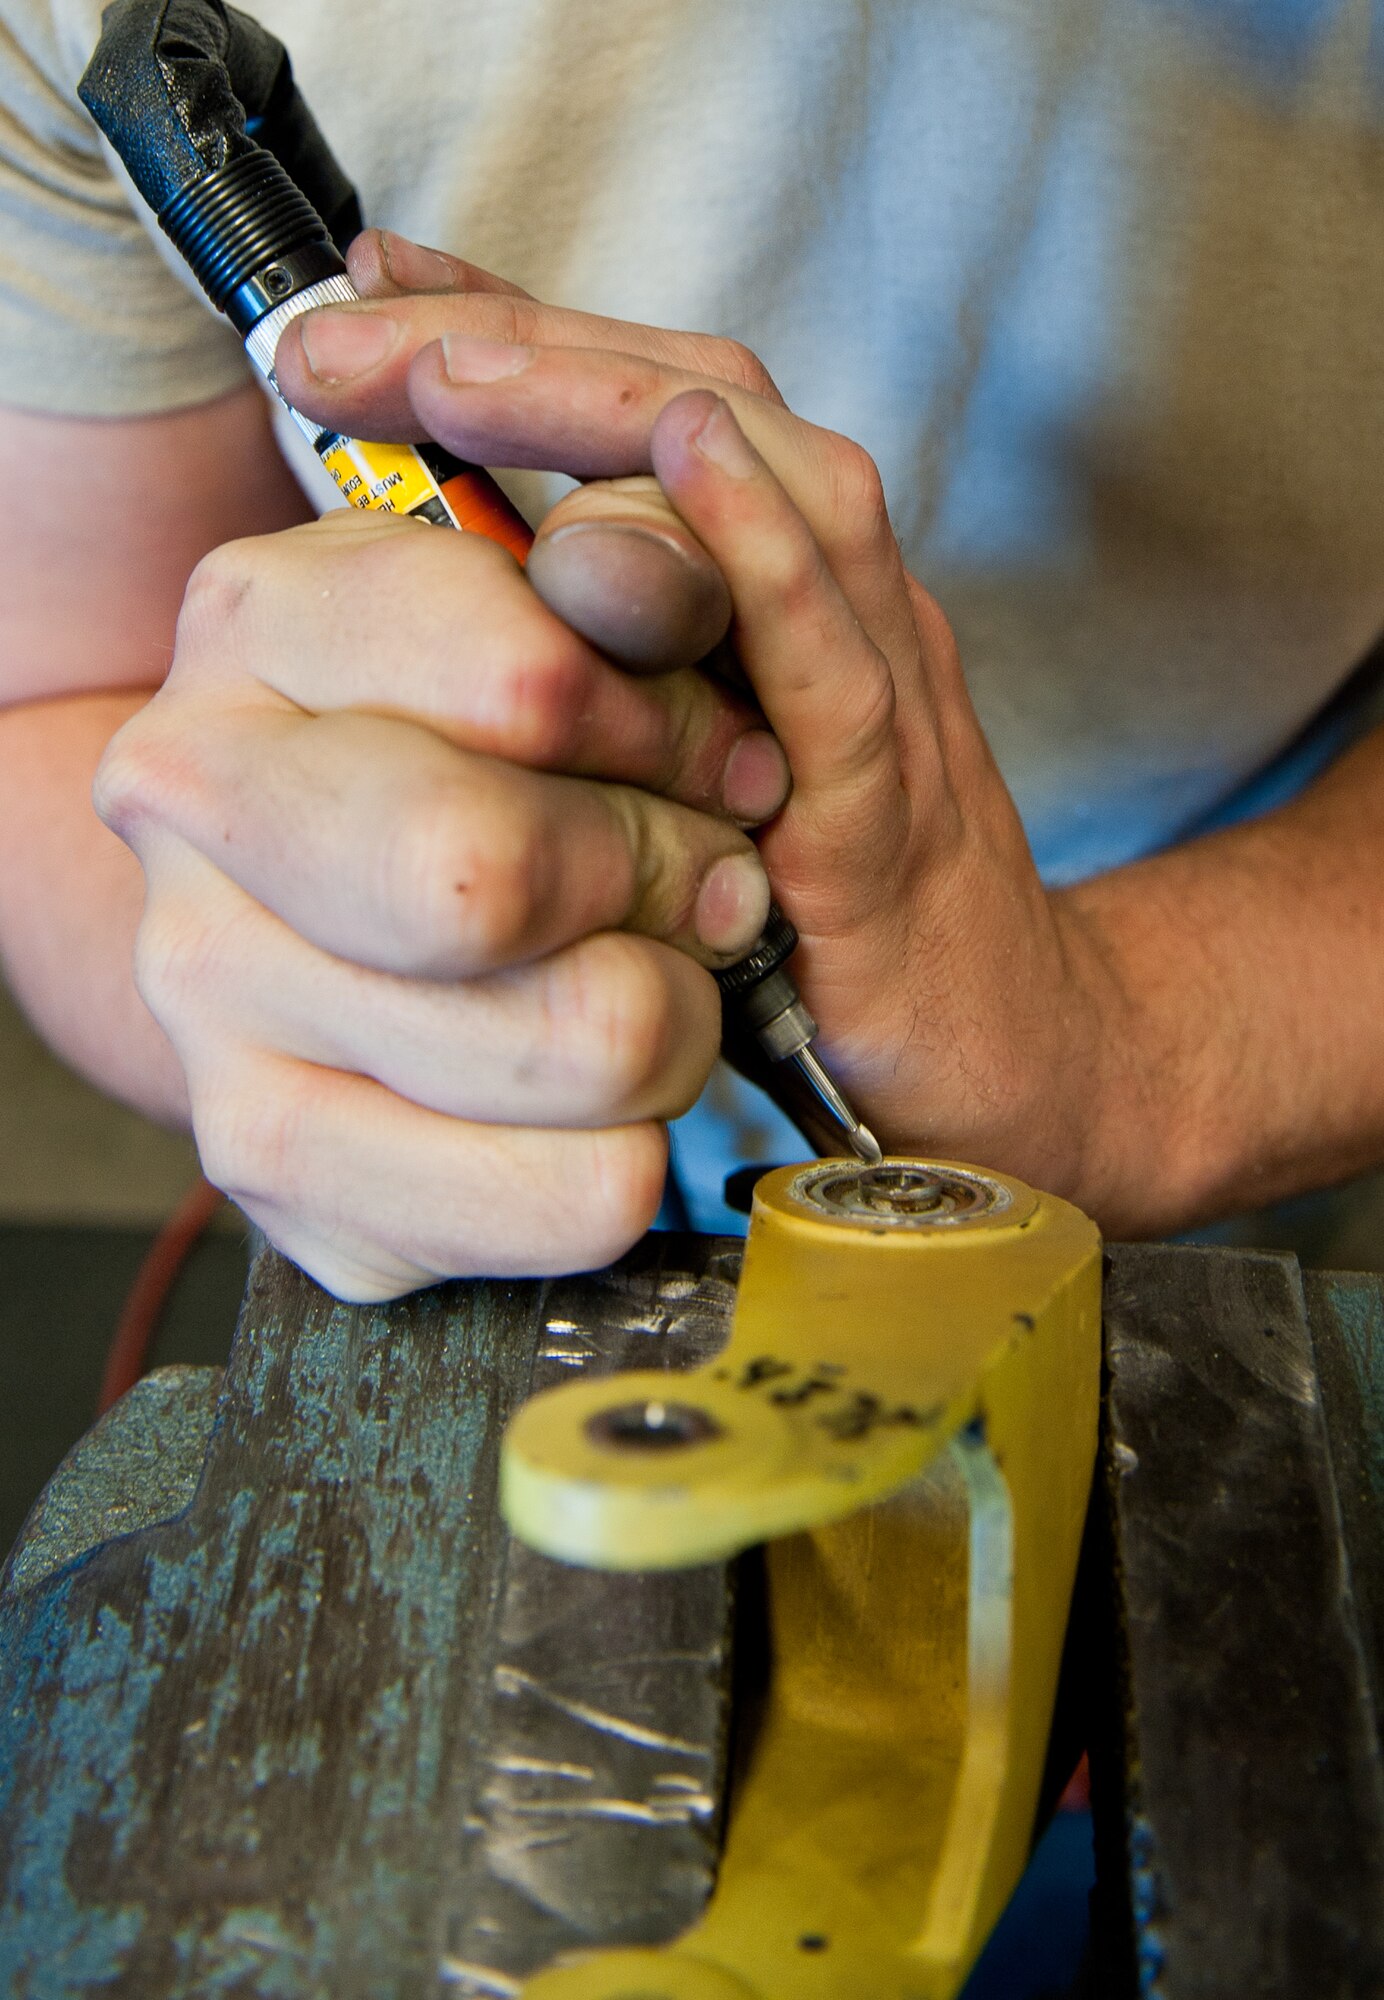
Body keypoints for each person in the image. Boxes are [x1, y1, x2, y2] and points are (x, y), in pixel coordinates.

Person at [2, 0, 1382, 1299]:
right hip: (501, 1134)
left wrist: (1142, 1037)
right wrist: (357, 989)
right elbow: (74, 703)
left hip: (1285, 942)